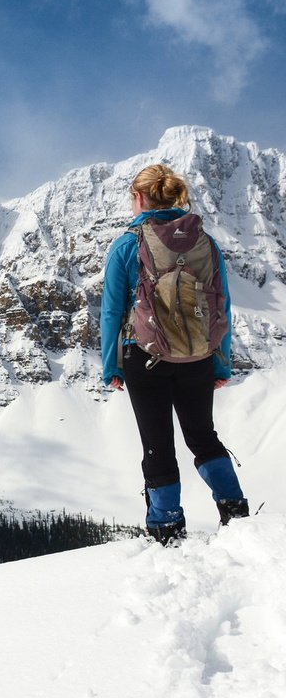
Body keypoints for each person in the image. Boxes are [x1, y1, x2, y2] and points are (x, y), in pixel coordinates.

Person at [100, 164, 249, 545]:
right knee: (202, 436)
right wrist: (220, 360)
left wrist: (110, 366)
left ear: (139, 197)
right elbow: (222, 306)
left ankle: (167, 528)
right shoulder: (206, 242)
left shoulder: (126, 243)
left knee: (157, 444)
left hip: (145, 358)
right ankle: (235, 512)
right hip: (198, 357)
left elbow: (113, 312)